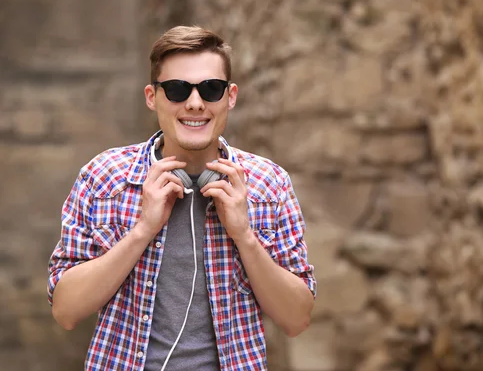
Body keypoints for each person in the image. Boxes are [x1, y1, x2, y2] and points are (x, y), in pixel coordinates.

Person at [47, 25, 317, 371]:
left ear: (230, 96)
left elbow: (297, 320)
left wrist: (244, 237)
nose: (194, 103)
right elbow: (66, 312)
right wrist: (143, 229)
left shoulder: (269, 184)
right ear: (151, 97)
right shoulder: (103, 177)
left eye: (211, 89)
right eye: (176, 89)